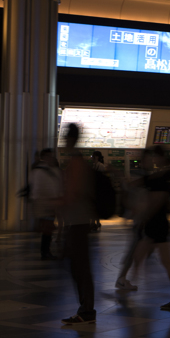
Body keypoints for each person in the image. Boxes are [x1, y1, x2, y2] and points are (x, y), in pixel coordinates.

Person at [131, 147, 170, 310]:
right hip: (157, 223)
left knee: (165, 261)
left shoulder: (165, 175)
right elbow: (144, 184)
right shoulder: (159, 175)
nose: (153, 159)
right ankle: (129, 283)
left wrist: (145, 215)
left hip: (159, 223)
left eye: (155, 156)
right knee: (141, 255)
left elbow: (159, 199)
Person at [60, 124, 97, 326]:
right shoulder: (79, 161)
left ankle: (87, 310)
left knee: (80, 268)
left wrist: (54, 201)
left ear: (70, 139)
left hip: (78, 222)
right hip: (79, 221)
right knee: (79, 266)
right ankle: (86, 309)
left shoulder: (76, 162)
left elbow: (72, 194)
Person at [90, 151, 106, 231]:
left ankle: (94, 223)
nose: (91, 157)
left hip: (98, 190)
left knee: (94, 207)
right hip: (96, 190)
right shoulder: (95, 165)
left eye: (93, 156)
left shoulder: (100, 166)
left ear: (96, 157)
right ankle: (96, 222)